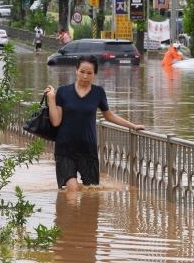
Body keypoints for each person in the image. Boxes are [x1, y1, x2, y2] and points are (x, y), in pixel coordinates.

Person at [44, 55, 145, 192]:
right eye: (82, 72)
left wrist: (133, 126)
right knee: (72, 190)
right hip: (65, 149)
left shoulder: (98, 92)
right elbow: (56, 122)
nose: (85, 76)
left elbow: (109, 115)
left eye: (89, 73)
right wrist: (51, 99)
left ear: (95, 74)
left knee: (91, 192)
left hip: (88, 149)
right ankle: (68, 214)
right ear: (76, 70)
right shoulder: (63, 91)